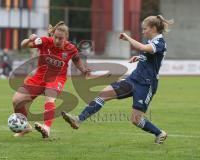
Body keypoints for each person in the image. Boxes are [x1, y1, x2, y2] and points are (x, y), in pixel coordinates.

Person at [62, 15, 174, 144]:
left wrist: (128, 38)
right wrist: (139, 58)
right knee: (103, 94)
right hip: (133, 79)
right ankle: (78, 119)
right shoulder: (151, 42)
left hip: (146, 85)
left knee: (135, 119)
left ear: (153, 28)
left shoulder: (160, 43)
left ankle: (159, 133)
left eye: (145, 29)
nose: (143, 31)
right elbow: (149, 55)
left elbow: (144, 49)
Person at [12, 21, 90, 138]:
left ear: (66, 38)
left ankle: (47, 128)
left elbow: (76, 59)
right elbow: (23, 45)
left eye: (61, 38)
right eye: (56, 37)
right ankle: (25, 127)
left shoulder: (71, 48)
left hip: (57, 78)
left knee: (50, 96)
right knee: (16, 101)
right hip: (39, 77)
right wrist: (29, 39)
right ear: (52, 35)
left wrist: (83, 70)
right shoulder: (44, 41)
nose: (58, 40)